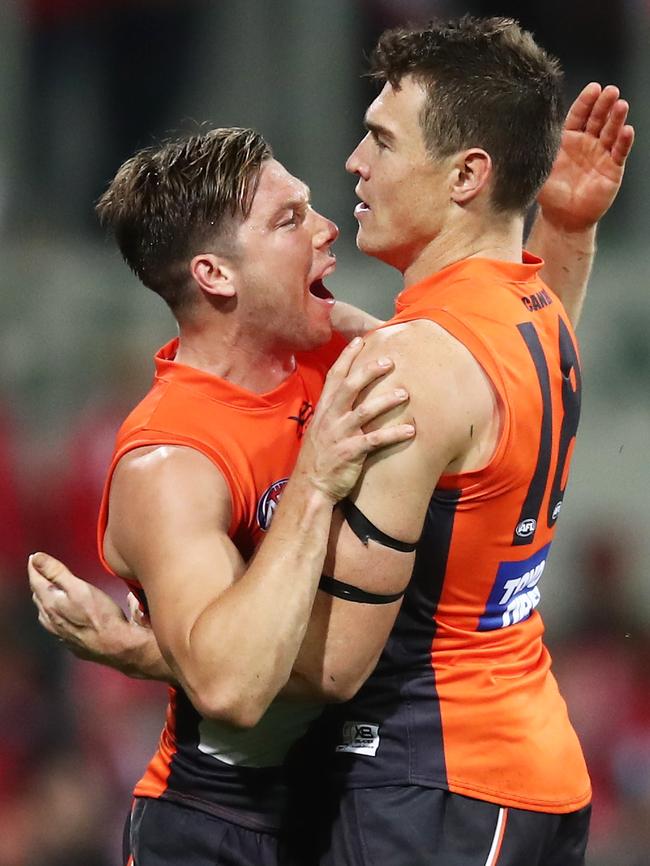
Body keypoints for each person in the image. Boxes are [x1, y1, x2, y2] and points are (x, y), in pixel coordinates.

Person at [30, 16, 634, 866]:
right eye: (289, 219)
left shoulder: (383, 363)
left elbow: (322, 670)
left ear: (467, 175)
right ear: (214, 274)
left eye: (381, 142)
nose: (336, 204)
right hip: (227, 824)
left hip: (425, 788)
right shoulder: (174, 457)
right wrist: (563, 231)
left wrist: (144, 650)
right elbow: (235, 691)